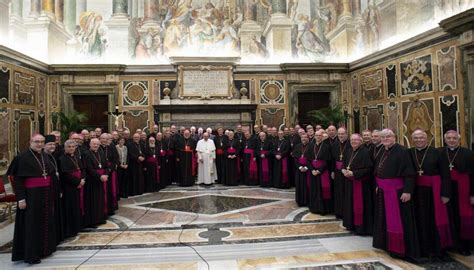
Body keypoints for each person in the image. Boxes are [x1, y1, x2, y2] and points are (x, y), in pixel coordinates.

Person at [372, 129, 420, 260]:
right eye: (383, 137)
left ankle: (399, 249)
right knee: (384, 220)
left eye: (388, 136)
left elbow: (410, 173)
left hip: (397, 192)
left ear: (395, 137)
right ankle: (387, 244)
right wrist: (378, 185)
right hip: (383, 191)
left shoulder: (403, 151)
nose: (386, 138)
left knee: (399, 221)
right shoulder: (382, 149)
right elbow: (378, 170)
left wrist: (407, 191)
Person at [11, 134, 57, 264]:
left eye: (42, 142)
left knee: (45, 221)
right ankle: (32, 254)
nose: (40, 144)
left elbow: (49, 174)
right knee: (32, 225)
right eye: (37, 142)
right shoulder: (21, 158)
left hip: (45, 194)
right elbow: (18, 181)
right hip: (31, 197)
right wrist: (21, 199)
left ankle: (45, 249)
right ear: (30, 142)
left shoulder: (44, 156)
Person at [410, 130, 453, 259]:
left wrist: (446, 194)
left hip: (434, 191)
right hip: (416, 192)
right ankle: (422, 248)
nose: (419, 140)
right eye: (416, 138)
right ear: (412, 139)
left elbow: (446, 175)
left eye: (421, 137)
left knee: (434, 219)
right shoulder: (409, 152)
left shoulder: (437, 153)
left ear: (427, 138)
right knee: (419, 219)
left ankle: (438, 249)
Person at [439, 130, 474, 256]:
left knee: (462, 218)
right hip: (445, 189)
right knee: (448, 216)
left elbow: (473, 175)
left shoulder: (468, 153)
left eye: (454, 138)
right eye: (449, 138)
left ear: (459, 140)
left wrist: (472, 194)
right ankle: (449, 244)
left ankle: (464, 245)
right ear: (445, 140)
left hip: (463, 190)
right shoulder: (440, 152)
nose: (451, 140)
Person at [342, 134, 374, 235]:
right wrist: (343, 170)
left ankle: (360, 227)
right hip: (349, 183)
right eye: (352, 140)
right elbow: (344, 164)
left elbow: (368, 169)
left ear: (361, 141)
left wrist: (354, 173)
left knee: (360, 206)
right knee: (349, 204)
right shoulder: (348, 151)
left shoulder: (365, 152)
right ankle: (350, 224)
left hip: (360, 185)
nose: (353, 142)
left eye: (356, 140)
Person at [59, 139, 86, 238]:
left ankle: (77, 227)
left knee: (77, 206)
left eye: (73, 147)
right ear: (65, 148)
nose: (71, 148)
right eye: (69, 147)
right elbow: (65, 175)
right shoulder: (62, 159)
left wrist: (83, 179)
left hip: (79, 185)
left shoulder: (76, 157)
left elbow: (82, 169)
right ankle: (70, 230)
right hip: (69, 187)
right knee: (70, 208)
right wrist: (78, 182)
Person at [82, 138, 109, 227]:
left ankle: (100, 218)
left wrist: (106, 174)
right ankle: (92, 221)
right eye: (94, 144)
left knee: (100, 200)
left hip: (101, 180)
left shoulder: (101, 152)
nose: (96, 145)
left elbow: (105, 165)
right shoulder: (86, 154)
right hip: (92, 181)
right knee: (92, 201)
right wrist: (99, 176)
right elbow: (89, 168)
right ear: (90, 144)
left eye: (97, 144)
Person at [44, 135, 64, 244]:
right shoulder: (43, 157)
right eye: (49, 144)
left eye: (53, 144)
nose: (52, 146)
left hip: (55, 188)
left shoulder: (52, 156)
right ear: (44, 146)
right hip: (48, 190)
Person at [308, 130, 332, 215]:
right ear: (314, 136)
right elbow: (308, 160)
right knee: (314, 190)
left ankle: (323, 209)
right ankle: (314, 208)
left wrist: (319, 170)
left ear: (322, 137)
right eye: (316, 135)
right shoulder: (311, 146)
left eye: (319, 135)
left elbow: (327, 161)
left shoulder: (326, 146)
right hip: (313, 172)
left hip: (322, 172)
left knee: (322, 191)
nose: (318, 137)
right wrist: (312, 170)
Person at [331, 127, 351, 218]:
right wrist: (332, 171)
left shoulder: (351, 144)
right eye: (339, 134)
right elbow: (332, 159)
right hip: (337, 172)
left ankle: (346, 212)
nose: (341, 136)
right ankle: (339, 211)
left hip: (347, 171)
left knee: (346, 192)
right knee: (338, 192)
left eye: (342, 134)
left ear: (346, 134)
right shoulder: (335, 145)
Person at [292, 133, 314, 206]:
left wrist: (306, 167)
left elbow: (312, 159)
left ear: (308, 138)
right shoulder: (297, 146)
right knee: (299, 185)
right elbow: (295, 159)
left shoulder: (312, 146)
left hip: (308, 170)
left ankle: (307, 201)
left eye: (305, 137)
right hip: (299, 170)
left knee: (307, 186)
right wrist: (300, 167)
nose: (304, 139)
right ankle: (300, 201)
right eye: (302, 138)